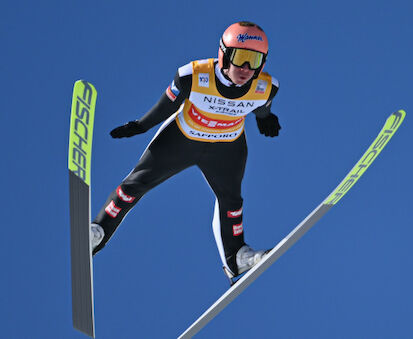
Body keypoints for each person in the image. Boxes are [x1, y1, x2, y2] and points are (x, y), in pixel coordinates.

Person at [90, 21, 281, 282]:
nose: (247, 68)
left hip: (227, 147)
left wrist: (265, 118)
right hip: (182, 140)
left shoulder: (267, 86)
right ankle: (97, 232)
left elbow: (262, 105)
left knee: (232, 201)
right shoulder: (193, 75)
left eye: (255, 59)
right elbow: (166, 105)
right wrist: (140, 125)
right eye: (241, 57)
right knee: (134, 185)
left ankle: (237, 257)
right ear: (223, 54)